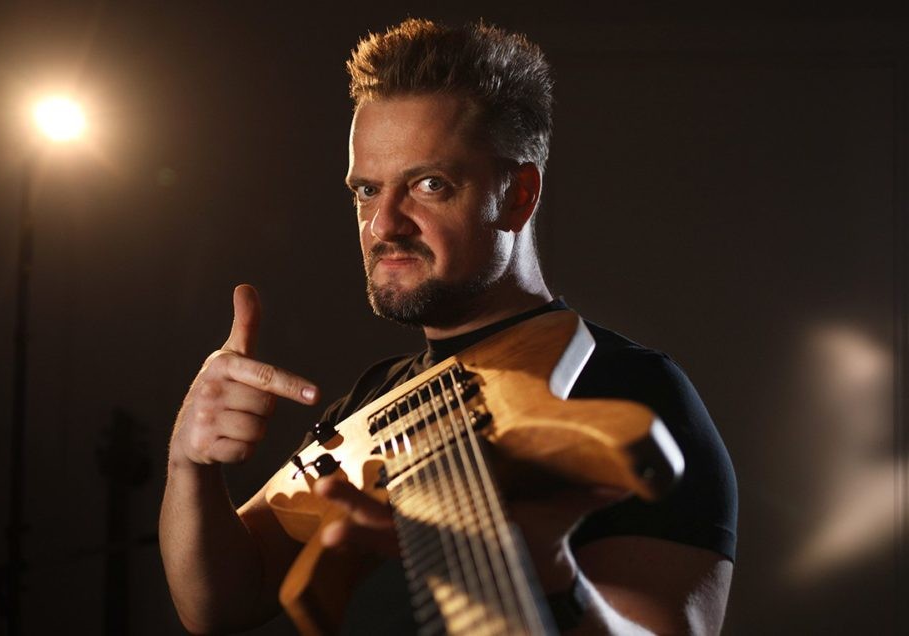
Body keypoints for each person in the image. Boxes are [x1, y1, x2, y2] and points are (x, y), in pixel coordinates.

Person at [159, 18, 736, 635]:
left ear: (518, 195)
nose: (384, 224)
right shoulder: (373, 399)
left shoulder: (630, 388)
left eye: (429, 184)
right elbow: (219, 602)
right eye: (367, 190)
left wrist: (550, 578)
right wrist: (190, 462)